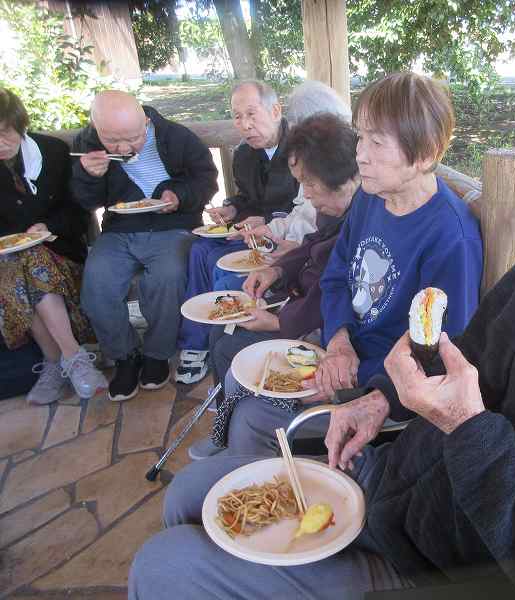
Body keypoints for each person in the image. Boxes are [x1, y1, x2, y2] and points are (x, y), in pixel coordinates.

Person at [130, 56, 515, 600]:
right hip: (395, 486)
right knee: (189, 494)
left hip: (435, 566)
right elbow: (465, 348)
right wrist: (380, 401)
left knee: (163, 567)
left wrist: (466, 428)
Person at [202, 71, 483, 458]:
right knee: (240, 371)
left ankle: (260, 480)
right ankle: (238, 464)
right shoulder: (371, 198)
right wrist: (338, 340)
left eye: (376, 142)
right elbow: (336, 277)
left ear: (426, 153)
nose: (360, 154)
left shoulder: (450, 238)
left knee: (252, 417)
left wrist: (355, 374)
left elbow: (438, 354)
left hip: (377, 386)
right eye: (360, 137)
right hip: (338, 347)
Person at [187, 112, 360, 460]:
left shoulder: (362, 213)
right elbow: (312, 245)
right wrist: (277, 271)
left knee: (229, 345)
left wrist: (278, 322)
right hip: (300, 302)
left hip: (319, 326)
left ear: (341, 176)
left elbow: (329, 287)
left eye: (310, 184)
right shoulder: (333, 208)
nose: (305, 194)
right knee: (220, 333)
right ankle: (226, 426)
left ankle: (234, 432)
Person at [175, 81, 349, 384]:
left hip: (311, 312)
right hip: (281, 256)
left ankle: (233, 396)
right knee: (200, 251)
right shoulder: (247, 155)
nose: (245, 125)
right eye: (237, 116)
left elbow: (328, 275)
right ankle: (197, 349)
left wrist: (279, 320)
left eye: (251, 114)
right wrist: (235, 210)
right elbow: (310, 239)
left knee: (227, 291)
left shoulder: (325, 177)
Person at [72, 90, 218, 402]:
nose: (124, 148)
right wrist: (89, 176)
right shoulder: (87, 145)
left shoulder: (176, 137)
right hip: (119, 230)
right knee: (97, 281)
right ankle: (124, 356)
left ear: (146, 122)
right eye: (112, 140)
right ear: (96, 128)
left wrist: (178, 196)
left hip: (173, 226)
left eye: (133, 139)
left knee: (168, 276)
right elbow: (86, 201)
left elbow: (206, 181)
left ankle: (157, 353)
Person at [0, 88, 106, 404]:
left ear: (20, 125)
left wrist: (49, 228)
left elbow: (78, 211)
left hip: (64, 257)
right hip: (11, 266)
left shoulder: (52, 153)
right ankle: (69, 360)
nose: (0, 143)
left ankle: (57, 361)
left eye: (5, 132)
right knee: (18, 264)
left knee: (31, 259)